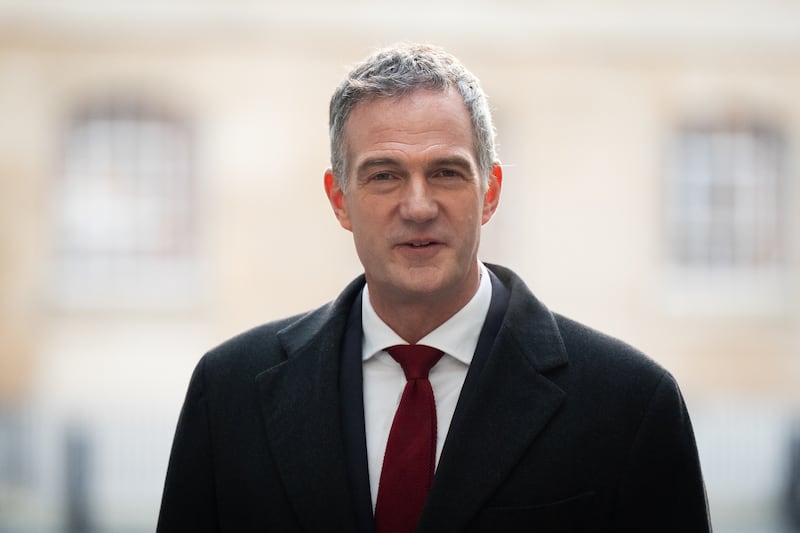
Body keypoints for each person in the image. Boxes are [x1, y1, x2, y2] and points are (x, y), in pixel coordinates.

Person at [157, 43, 711, 532]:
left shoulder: (631, 404)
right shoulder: (229, 392)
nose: (418, 206)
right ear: (339, 199)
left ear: (490, 191)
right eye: (384, 175)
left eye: (446, 172)